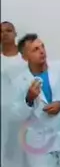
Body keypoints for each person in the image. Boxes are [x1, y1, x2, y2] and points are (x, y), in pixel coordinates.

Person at [9, 34, 60, 167]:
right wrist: (29, 99)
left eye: (42, 46)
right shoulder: (19, 81)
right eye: (35, 49)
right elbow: (15, 114)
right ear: (25, 57)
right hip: (39, 143)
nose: (42, 51)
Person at [1, 21, 27, 167]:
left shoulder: (25, 58)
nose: (4, 34)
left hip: (23, 114)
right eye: (1, 31)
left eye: (8, 30)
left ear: (15, 33)